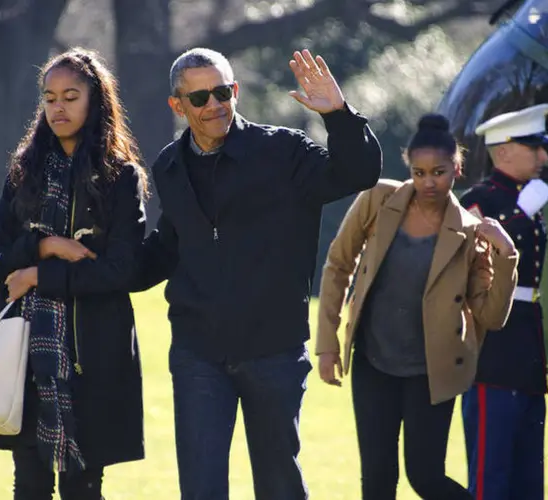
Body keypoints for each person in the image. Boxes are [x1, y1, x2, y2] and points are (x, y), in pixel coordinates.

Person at [131, 47, 382, 499]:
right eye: (201, 97)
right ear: (178, 105)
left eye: (223, 92)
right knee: (201, 490)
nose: (214, 105)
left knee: (279, 488)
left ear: (236, 91)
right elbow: (169, 247)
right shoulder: (169, 166)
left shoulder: (283, 151)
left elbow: (358, 173)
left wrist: (340, 115)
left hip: (273, 352)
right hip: (197, 353)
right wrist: (95, 264)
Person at [316, 113, 520, 499]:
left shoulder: (471, 233)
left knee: (425, 477)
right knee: (376, 481)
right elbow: (338, 265)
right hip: (373, 362)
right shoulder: (377, 199)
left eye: (439, 172)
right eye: (420, 172)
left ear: (457, 169)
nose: (429, 182)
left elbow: (491, 317)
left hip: (433, 371)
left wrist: (507, 255)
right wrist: (327, 344)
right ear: (408, 166)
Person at [0, 47, 148, 500]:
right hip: (26, 366)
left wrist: (37, 275)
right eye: (50, 97)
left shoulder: (121, 179)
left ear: (95, 101)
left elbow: (119, 272)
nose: (59, 107)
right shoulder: (24, 173)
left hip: (92, 363)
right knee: (29, 487)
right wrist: (44, 245)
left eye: (70, 96)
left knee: (83, 488)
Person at [459, 103, 548, 499]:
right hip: (493, 353)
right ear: (503, 151)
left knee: (528, 480)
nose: (545, 157)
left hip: (528, 351)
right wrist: (518, 214)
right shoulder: (479, 200)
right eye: (534, 147)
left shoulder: (524, 200)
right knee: (491, 477)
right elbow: (472, 259)